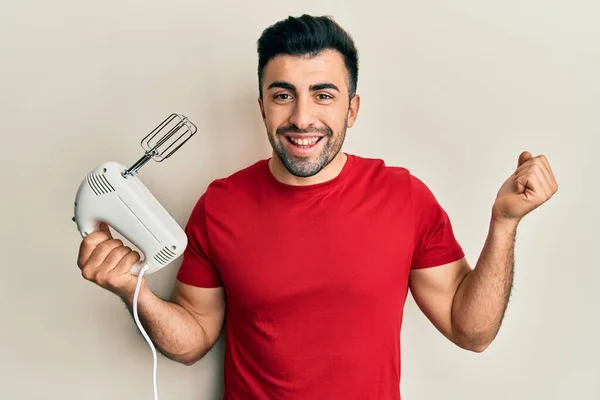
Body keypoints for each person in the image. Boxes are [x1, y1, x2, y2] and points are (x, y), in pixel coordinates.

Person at [76, 14, 558, 400]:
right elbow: (194, 337)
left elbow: (469, 330)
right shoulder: (220, 205)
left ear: (351, 109)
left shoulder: (405, 197)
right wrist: (129, 288)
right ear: (263, 106)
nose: (302, 118)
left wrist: (504, 223)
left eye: (323, 95)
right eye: (283, 95)